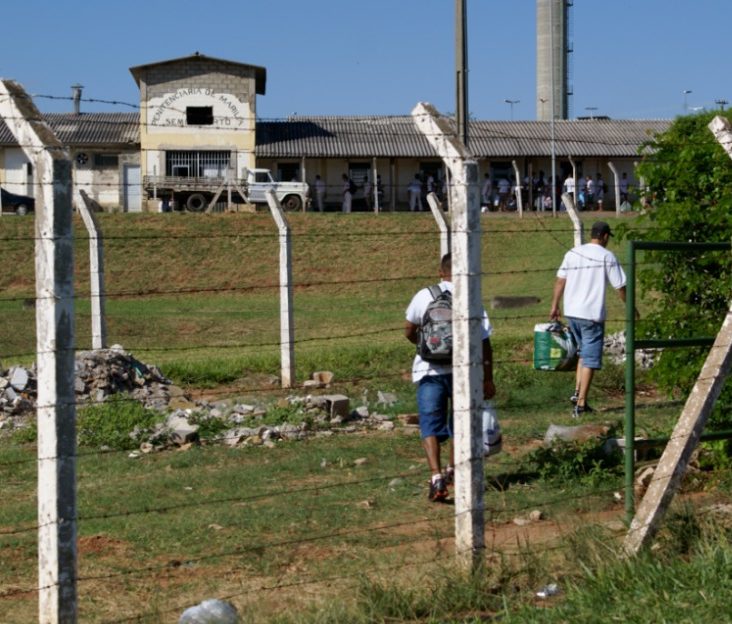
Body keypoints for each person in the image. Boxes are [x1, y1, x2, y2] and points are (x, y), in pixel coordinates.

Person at [404, 253, 496, 502]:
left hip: (428, 370)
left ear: (440, 272)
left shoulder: (425, 295)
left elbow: (409, 330)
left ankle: (436, 477)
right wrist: (487, 378)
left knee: (429, 424)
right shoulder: (470, 298)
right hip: (463, 372)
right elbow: (485, 342)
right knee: (460, 422)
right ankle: (453, 470)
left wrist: (424, 345)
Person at [550, 221, 628, 418]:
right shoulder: (607, 256)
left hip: (572, 312)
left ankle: (577, 393)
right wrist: (630, 306)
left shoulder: (573, 253)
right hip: (591, 314)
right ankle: (581, 404)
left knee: (583, 354)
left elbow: (560, 280)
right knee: (591, 358)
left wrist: (554, 305)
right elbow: (620, 286)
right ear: (604, 236)